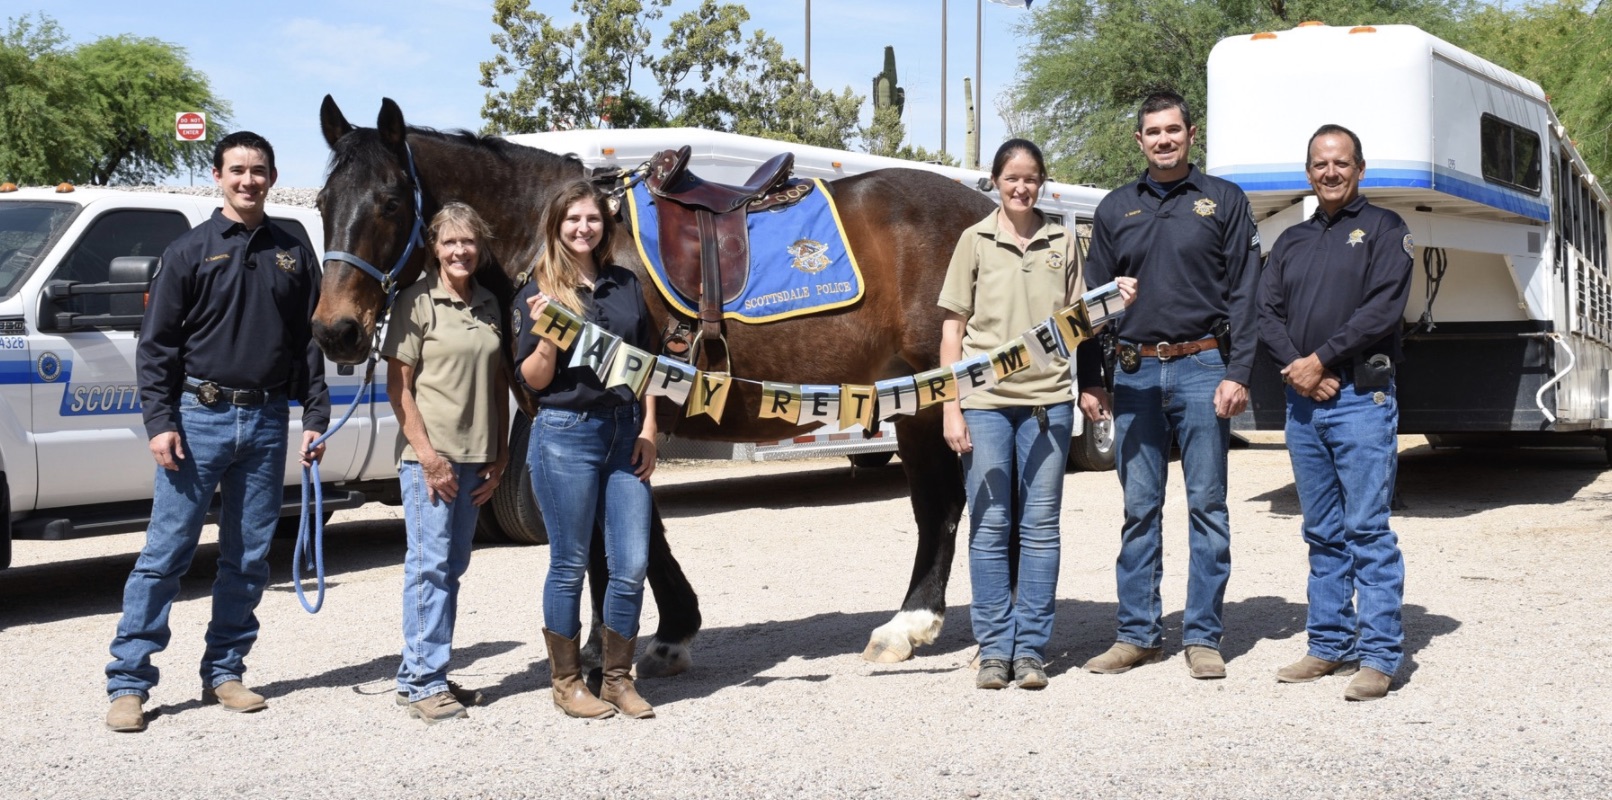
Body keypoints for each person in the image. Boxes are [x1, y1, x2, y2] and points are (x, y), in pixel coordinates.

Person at [105, 131, 329, 732]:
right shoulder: (188, 250)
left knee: (249, 558)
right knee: (165, 555)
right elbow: (156, 347)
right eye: (237, 170)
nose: (248, 180)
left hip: (264, 420)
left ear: (273, 177)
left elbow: (306, 341)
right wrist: (160, 423)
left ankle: (224, 671)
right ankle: (129, 683)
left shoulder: (293, 247)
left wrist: (314, 417)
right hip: (196, 420)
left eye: (258, 171)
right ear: (217, 175)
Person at [939, 139, 1136, 691]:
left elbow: (1081, 322)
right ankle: (994, 649)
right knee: (991, 525)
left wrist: (1108, 316)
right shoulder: (973, 241)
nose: (1021, 187)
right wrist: (951, 408)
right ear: (996, 182)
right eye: (1011, 179)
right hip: (984, 405)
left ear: (1042, 183)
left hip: (1047, 401)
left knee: (1040, 528)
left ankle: (1030, 651)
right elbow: (953, 330)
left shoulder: (1064, 239)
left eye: (1030, 179)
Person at [1081, 90, 1262, 680]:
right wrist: (1093, 378)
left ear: (1191, 134)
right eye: (1152, 132)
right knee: (1139, 509)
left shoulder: (1224, 201)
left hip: (1203, 366)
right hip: (1131, 375)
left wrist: (1238, 372)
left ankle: (1203, 636)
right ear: (1139, 140)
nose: (1163, 139)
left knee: (1208, 505)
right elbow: (1089, 307)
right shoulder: (1113, 209)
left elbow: (1246, 295)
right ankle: (1137, 634)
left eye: (1173, 130)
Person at [1256, 125, 1412, 701]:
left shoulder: (1385, 230)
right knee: (1321, 531)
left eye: (1340, 163)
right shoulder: (1291, 241)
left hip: (1360, 400)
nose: (1330, 172)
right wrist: (1299, 367)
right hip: (1304, 406)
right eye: (1320, 164)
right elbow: (1265, 312)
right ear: (1308, 172)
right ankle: (1326, 644)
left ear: (1360, 169)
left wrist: (1320, 360)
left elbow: (1381, 311)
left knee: (1367, 530)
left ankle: (1378, 656)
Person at [516, 181, 658, 719]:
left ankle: (618, 678)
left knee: (631, 563)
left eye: (592, 219)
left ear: (605, 225)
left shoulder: (625, 285)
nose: (583, 228)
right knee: (570, 562)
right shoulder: (537, 288)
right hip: (565, 431)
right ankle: (567, 681)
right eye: (573, 219)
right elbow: (532, 378)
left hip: (625, 432)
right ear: (556, 225)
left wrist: (649, 431)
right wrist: (548, 332)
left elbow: (646, 368)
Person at [380, 202, 509, 724]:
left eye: (469, 242)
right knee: (428, 568)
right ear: (434, 248)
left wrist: (501, 453)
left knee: (450, 569)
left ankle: (419, 674)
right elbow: (399, 388)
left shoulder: (489, 304)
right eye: (450, 242)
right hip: (430, 461)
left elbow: (499, 385)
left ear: (480, 248)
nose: (460, 251)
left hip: (477, 459)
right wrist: (429, 458)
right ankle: (426, 682)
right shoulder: (417, 302)